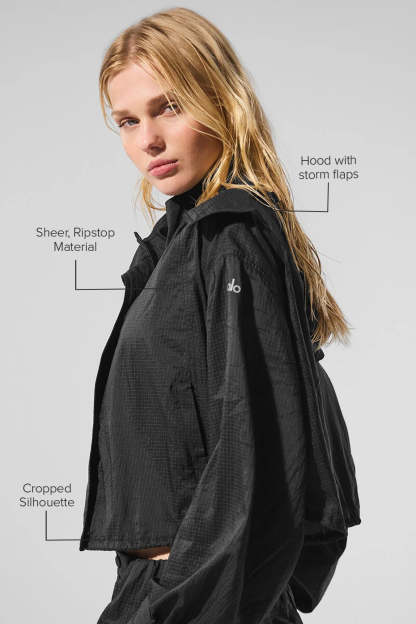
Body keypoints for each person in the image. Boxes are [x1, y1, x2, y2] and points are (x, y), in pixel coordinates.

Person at [79, 7, 361, 624]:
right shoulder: (176, 246)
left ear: (222, 100)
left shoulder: (229, 238)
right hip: (175, 588)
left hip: (200, 599)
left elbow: (257, 452)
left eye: (169, 107)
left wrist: (177, 600)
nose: (148, 140)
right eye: (128, 121)